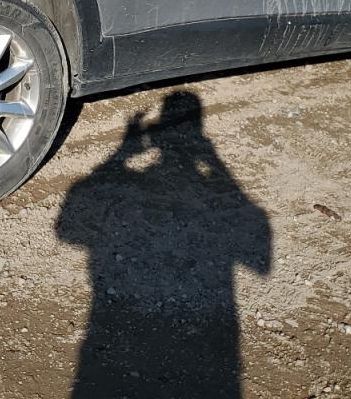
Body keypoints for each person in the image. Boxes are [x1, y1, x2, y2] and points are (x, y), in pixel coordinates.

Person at [56, 91, 271, 399]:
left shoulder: (136, 184)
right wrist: (214, 163)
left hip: (108, 332)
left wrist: (122, 154)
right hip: (208, 352)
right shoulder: (211, 194)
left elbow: (66, 230)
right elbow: (259, 258)